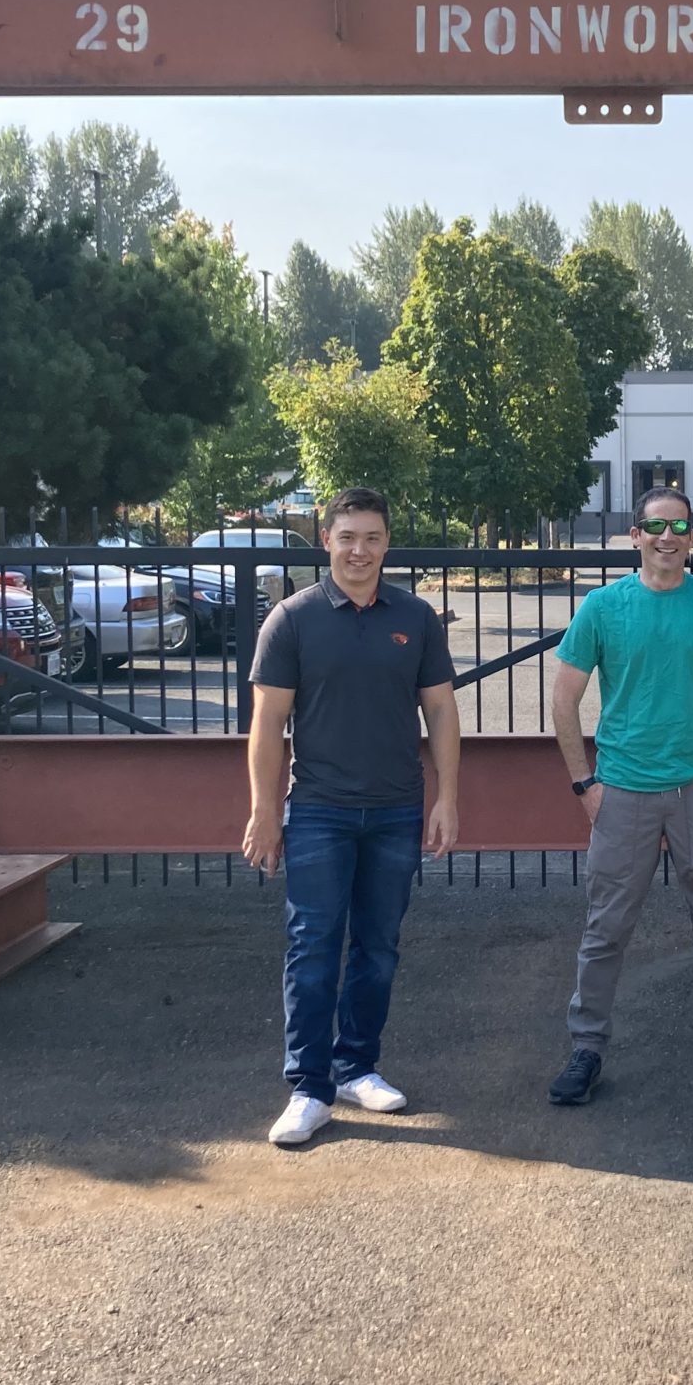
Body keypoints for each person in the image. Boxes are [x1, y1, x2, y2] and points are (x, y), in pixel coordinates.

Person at [242, 487, 460, 1147]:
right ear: (327, 543)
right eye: (347, 538)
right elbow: (268, 722)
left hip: (396, 809)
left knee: (378, 945)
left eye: (371, 538)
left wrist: (447, 796)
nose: (359, 550)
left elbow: (442, 713)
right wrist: (264, 811)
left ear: (387, 544)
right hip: (318, 811)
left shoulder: (415, 618)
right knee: (313, 946)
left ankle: (357, 1066)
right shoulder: (293, 619)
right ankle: (308, 1089)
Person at [548, 487, 693, 1105]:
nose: (666, 537)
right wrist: (584, 785)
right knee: (606, 929)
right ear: (636, 535)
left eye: (678, 526)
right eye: (654, 526)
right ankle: (586, 1048)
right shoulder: (603, 607)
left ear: (692, 536)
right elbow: (563, 701)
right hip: (622, 790)